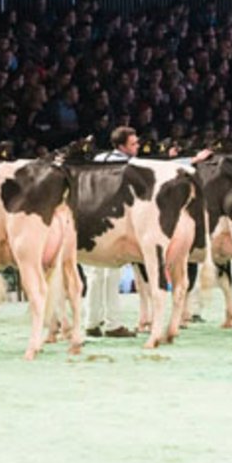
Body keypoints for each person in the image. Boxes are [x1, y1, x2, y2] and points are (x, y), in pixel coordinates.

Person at [87, 126, 138, 338]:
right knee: (112, 272)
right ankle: (113, 324)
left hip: (90, 218)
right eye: (133, 144)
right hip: (112, 220)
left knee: (95, 273)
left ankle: (91, 322)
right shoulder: (129, 165)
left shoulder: (98, 159)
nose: (137, 147)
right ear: (121, 146)